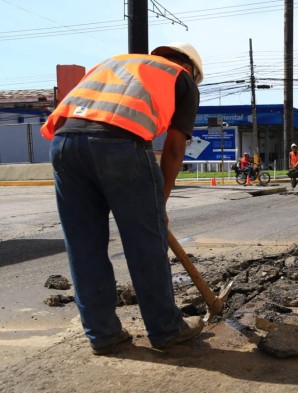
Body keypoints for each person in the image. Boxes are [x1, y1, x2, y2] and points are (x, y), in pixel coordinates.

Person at [41, 42, 206, 355]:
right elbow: (173, 148)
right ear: (192, 70)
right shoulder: (181, 77)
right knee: (145, 243)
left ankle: (102, 335)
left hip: (64, 145)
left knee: (83, 245)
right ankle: (166, 329)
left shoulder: (115, 62)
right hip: (118, 145)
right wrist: (160, 205)